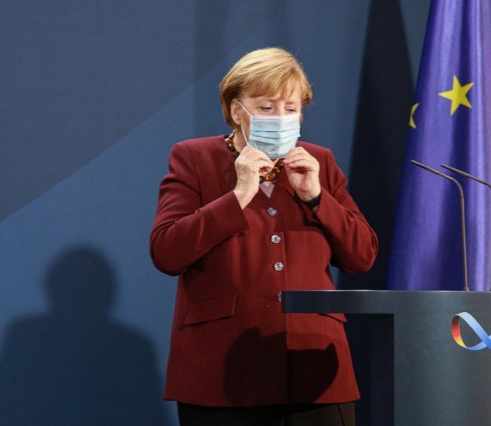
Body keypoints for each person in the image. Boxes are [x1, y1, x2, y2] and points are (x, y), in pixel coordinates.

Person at [150, 47, 378, 426]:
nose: (281, 117)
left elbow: (362, 255)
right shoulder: (194, 158)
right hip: (222, 373)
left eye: (291, 108)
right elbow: (167, 252)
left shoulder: (319, 161)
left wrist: (317, 197)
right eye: (267, 107)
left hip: (316, 366)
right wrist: (238, 194)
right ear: (237, 111)